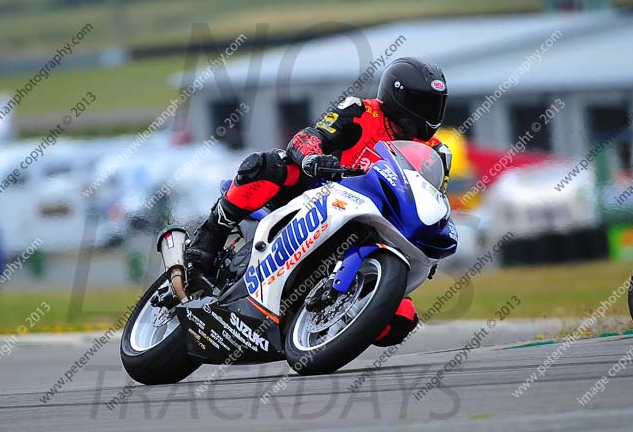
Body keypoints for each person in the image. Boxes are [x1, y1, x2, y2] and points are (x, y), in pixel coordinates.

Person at [185, 57, 453, 292]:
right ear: (397, 97)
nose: (428, 114)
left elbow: (432, 200)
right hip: (322, 192)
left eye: (435, 105)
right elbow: (310, 136)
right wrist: (312, 158)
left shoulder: (438, 154)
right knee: (268, 164)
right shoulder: (360, 111)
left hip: (379, 222)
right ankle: (205, 243)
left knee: (401, 322)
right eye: (421, 103)